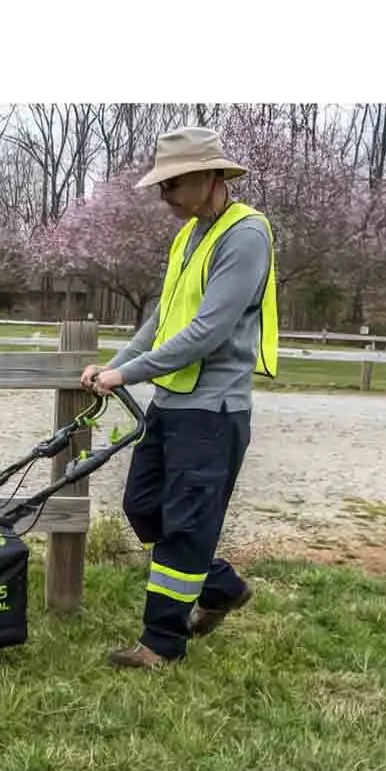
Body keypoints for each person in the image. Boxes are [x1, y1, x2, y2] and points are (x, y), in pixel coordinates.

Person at [82, 127, 279, 669]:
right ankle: (221, 587)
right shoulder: (190, 235)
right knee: (143, 506)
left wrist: (127, 375)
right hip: (171, 403)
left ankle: (161, 644)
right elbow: (163, 321)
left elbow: (206, 332)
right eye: (161, 185)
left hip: (212, 412)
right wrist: (116, 366)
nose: (163, 195)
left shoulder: (245, 235)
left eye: (171, 184)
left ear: (209, 177)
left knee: (187, 525)